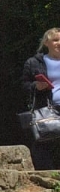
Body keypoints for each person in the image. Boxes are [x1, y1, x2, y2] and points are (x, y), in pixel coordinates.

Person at [21, 28, 60, 169]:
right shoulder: (34, 62)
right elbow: (24, 85)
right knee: (44, 141)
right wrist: (36, 86)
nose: (59, 43)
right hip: (46, 108)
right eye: (55, 40)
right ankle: (46, 173)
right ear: (46, 43)